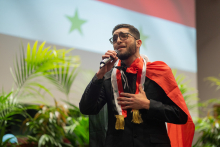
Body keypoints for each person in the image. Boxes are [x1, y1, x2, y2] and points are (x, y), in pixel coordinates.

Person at [79, 24, 194, 147]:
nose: (118, 40)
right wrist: (100, 74)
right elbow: (87, 108)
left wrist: (148, 105)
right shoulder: (108, 77)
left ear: (138, 43)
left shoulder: (158, 72)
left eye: (124, 36)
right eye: (114, 38)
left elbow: (180, 115)